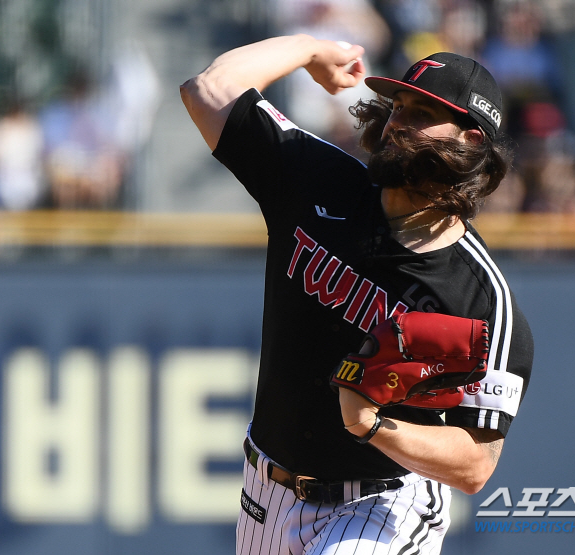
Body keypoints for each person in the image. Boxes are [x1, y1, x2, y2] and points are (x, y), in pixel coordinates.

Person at [180, 34, 533, 555]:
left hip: (379, 505)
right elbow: (208, 91)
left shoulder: (479, 298)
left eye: (421, 113)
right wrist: (309, 48)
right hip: (264, 494)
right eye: (399, 106)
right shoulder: (320, 181)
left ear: (471, 140)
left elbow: (475, 463)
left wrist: (374, 426)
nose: (397, 122)